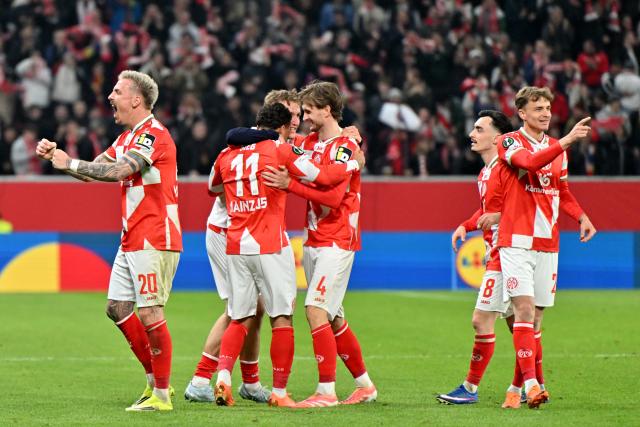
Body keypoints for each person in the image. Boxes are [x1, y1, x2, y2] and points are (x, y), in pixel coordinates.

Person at [35, 70, 181, 412]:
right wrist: (60, 159)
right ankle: (154, 383)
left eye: (117, 91)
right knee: (117, 308)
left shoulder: (153, 135)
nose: (110, 97)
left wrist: (69, 162)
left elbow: (119, 172)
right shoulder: (126, 138)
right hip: (132, 235)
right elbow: (93, 170)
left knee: (150, 311)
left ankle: (161, 395)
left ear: (136, 99)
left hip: (155, 233)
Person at [209, 103, 364, 408]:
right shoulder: (279, 150)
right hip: (270, 242)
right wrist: (352, 164)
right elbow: (319, 174)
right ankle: (279, 392)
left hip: (237, 244)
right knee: (282, 317)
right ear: (280, 128)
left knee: (240, 316)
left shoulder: (225, 155)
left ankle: (223, 378)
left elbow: (212, 187)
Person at [263, 80, 377, 408]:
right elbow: (286, 145)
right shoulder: (312, 142)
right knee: (334, 317)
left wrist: (290, 185)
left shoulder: (344, 146)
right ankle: (365, 386)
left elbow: (335, 195)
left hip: (337, 240)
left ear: (327, 110)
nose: (305, 117)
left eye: (310, 111)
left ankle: (326, 391)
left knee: (315, 310)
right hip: (314, 239)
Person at [493, 86, 596, 409]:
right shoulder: (508, 141)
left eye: (548, 108)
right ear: (522, 113)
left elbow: (561, 190)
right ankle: (534, 385)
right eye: (538, 108)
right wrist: (566, 140)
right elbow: (530, 162)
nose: (546, 113)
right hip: (516, 241)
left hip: (548, 243)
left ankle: (515, 386)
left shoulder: (556, 149)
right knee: (523, 310)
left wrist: (581, 216)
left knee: (535, 320)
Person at [436, 110, 513, 405]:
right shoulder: (486, 172)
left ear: (497, 137)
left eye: (479, 129)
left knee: (482, 320)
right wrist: (465, 225)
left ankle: (470, 388)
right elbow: (487, 211)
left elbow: (526, 207)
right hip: (498, 250)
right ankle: (534, 382)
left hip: (508, 252)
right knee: (519, 323)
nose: (472, 134)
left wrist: (499, 216)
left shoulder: (506, 168)